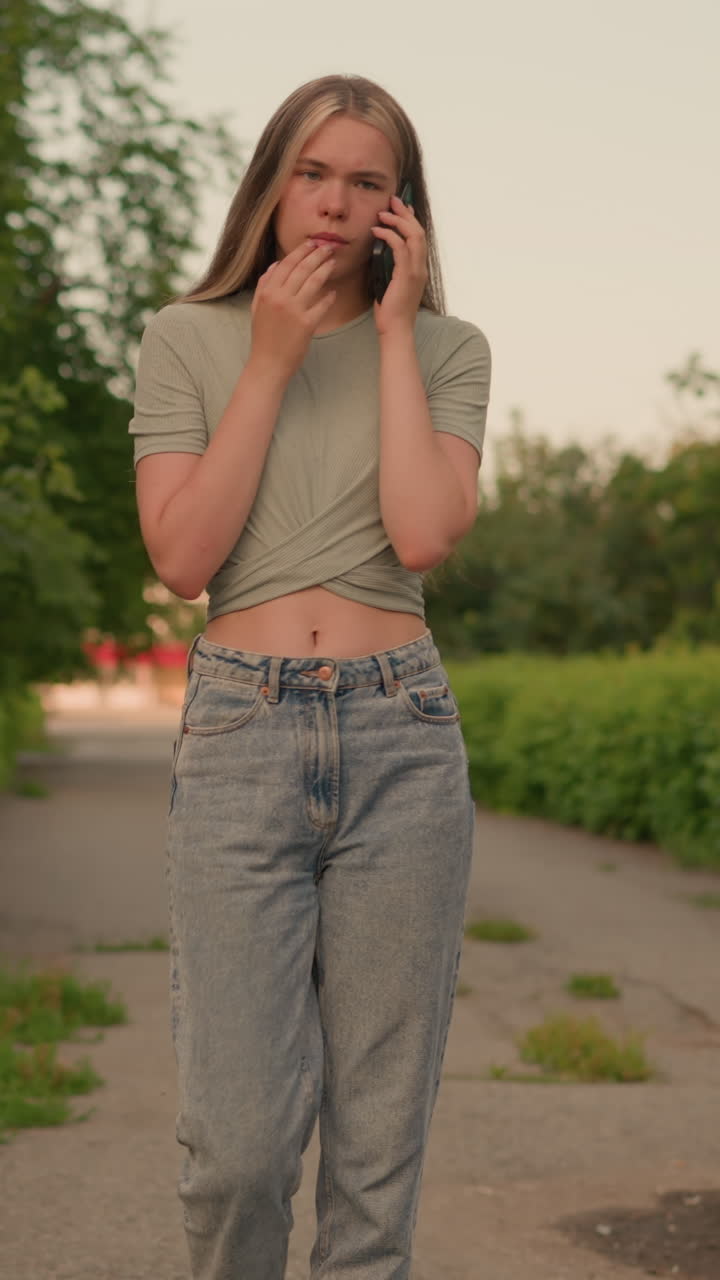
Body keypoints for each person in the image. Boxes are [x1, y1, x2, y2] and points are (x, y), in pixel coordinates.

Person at [129, 72, 491, 1280]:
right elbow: (184, 557)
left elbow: (425, 529)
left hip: (405, 734)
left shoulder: (446, 348)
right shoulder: (188, 337)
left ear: (403, 206)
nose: (335, 204)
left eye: (368, 181)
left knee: (376, 1153)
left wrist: (391, 331)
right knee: (235, 1150)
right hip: (242, 734)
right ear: (273, 182)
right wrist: (271, 359)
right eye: (314, 172)